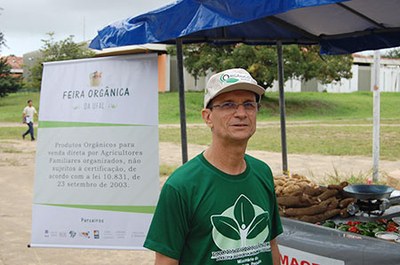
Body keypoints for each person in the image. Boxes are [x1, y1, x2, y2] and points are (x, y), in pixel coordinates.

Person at [144, 68, 283, 265]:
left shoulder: (262, 173)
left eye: (249, 104)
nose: (241, 113)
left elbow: (271, 245)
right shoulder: (181, 186)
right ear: (207, 117)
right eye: (228, 105)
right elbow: (166, 261)